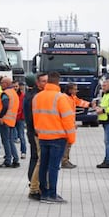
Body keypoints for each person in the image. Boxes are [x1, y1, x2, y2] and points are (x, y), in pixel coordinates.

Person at [32, 71, 75, 203]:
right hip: (58, 137)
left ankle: (44, 192)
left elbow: (35, 117)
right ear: (58, 82)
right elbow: (68, 120)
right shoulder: (60, 98)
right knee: (54, 167)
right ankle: (52, 194)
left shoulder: (37, 97)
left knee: (43, 165)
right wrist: (71, 138)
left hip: (43, 136)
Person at [24, 73, 48, 200]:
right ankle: (34, 185)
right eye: (43, 81)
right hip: (36, 132)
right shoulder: (34, 97)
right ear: (37, 83)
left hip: (34, 131)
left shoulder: (33, 95)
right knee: (37, 159)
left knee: (35, 158)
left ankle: (34, 184)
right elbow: (33, 117)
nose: (46, 84)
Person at [62, 82, 91, 169]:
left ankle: (65, 160)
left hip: (69, 124)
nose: (76, 91)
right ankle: (64, 161)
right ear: (69, 90)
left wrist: (90, 104)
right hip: (66, 125)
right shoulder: (64, 98)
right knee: (66, 144)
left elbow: (80, 102)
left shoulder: (72, 97)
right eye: (75, 89)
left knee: (68, 143)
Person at [0, 77, 20, 168]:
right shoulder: (14, 93)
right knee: (10, 141)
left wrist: (0, 116)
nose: (0, 85)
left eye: (2, 83)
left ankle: (8, 160)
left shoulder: (5, 94)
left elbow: (5, 106)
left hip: (5, 120)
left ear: (6, 83)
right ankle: (16, 160)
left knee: (6, 141)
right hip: (12, 120)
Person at [13, 80, 27, 159]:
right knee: (11, 137)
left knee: (21, 135)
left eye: (16, 86)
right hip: (12, 118)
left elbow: (22, 107)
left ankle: (23, 152)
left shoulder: (22, 96)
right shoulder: (10, 95)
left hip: (20, 118)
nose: (15, 88)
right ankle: (12, 152)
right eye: (14, 86)